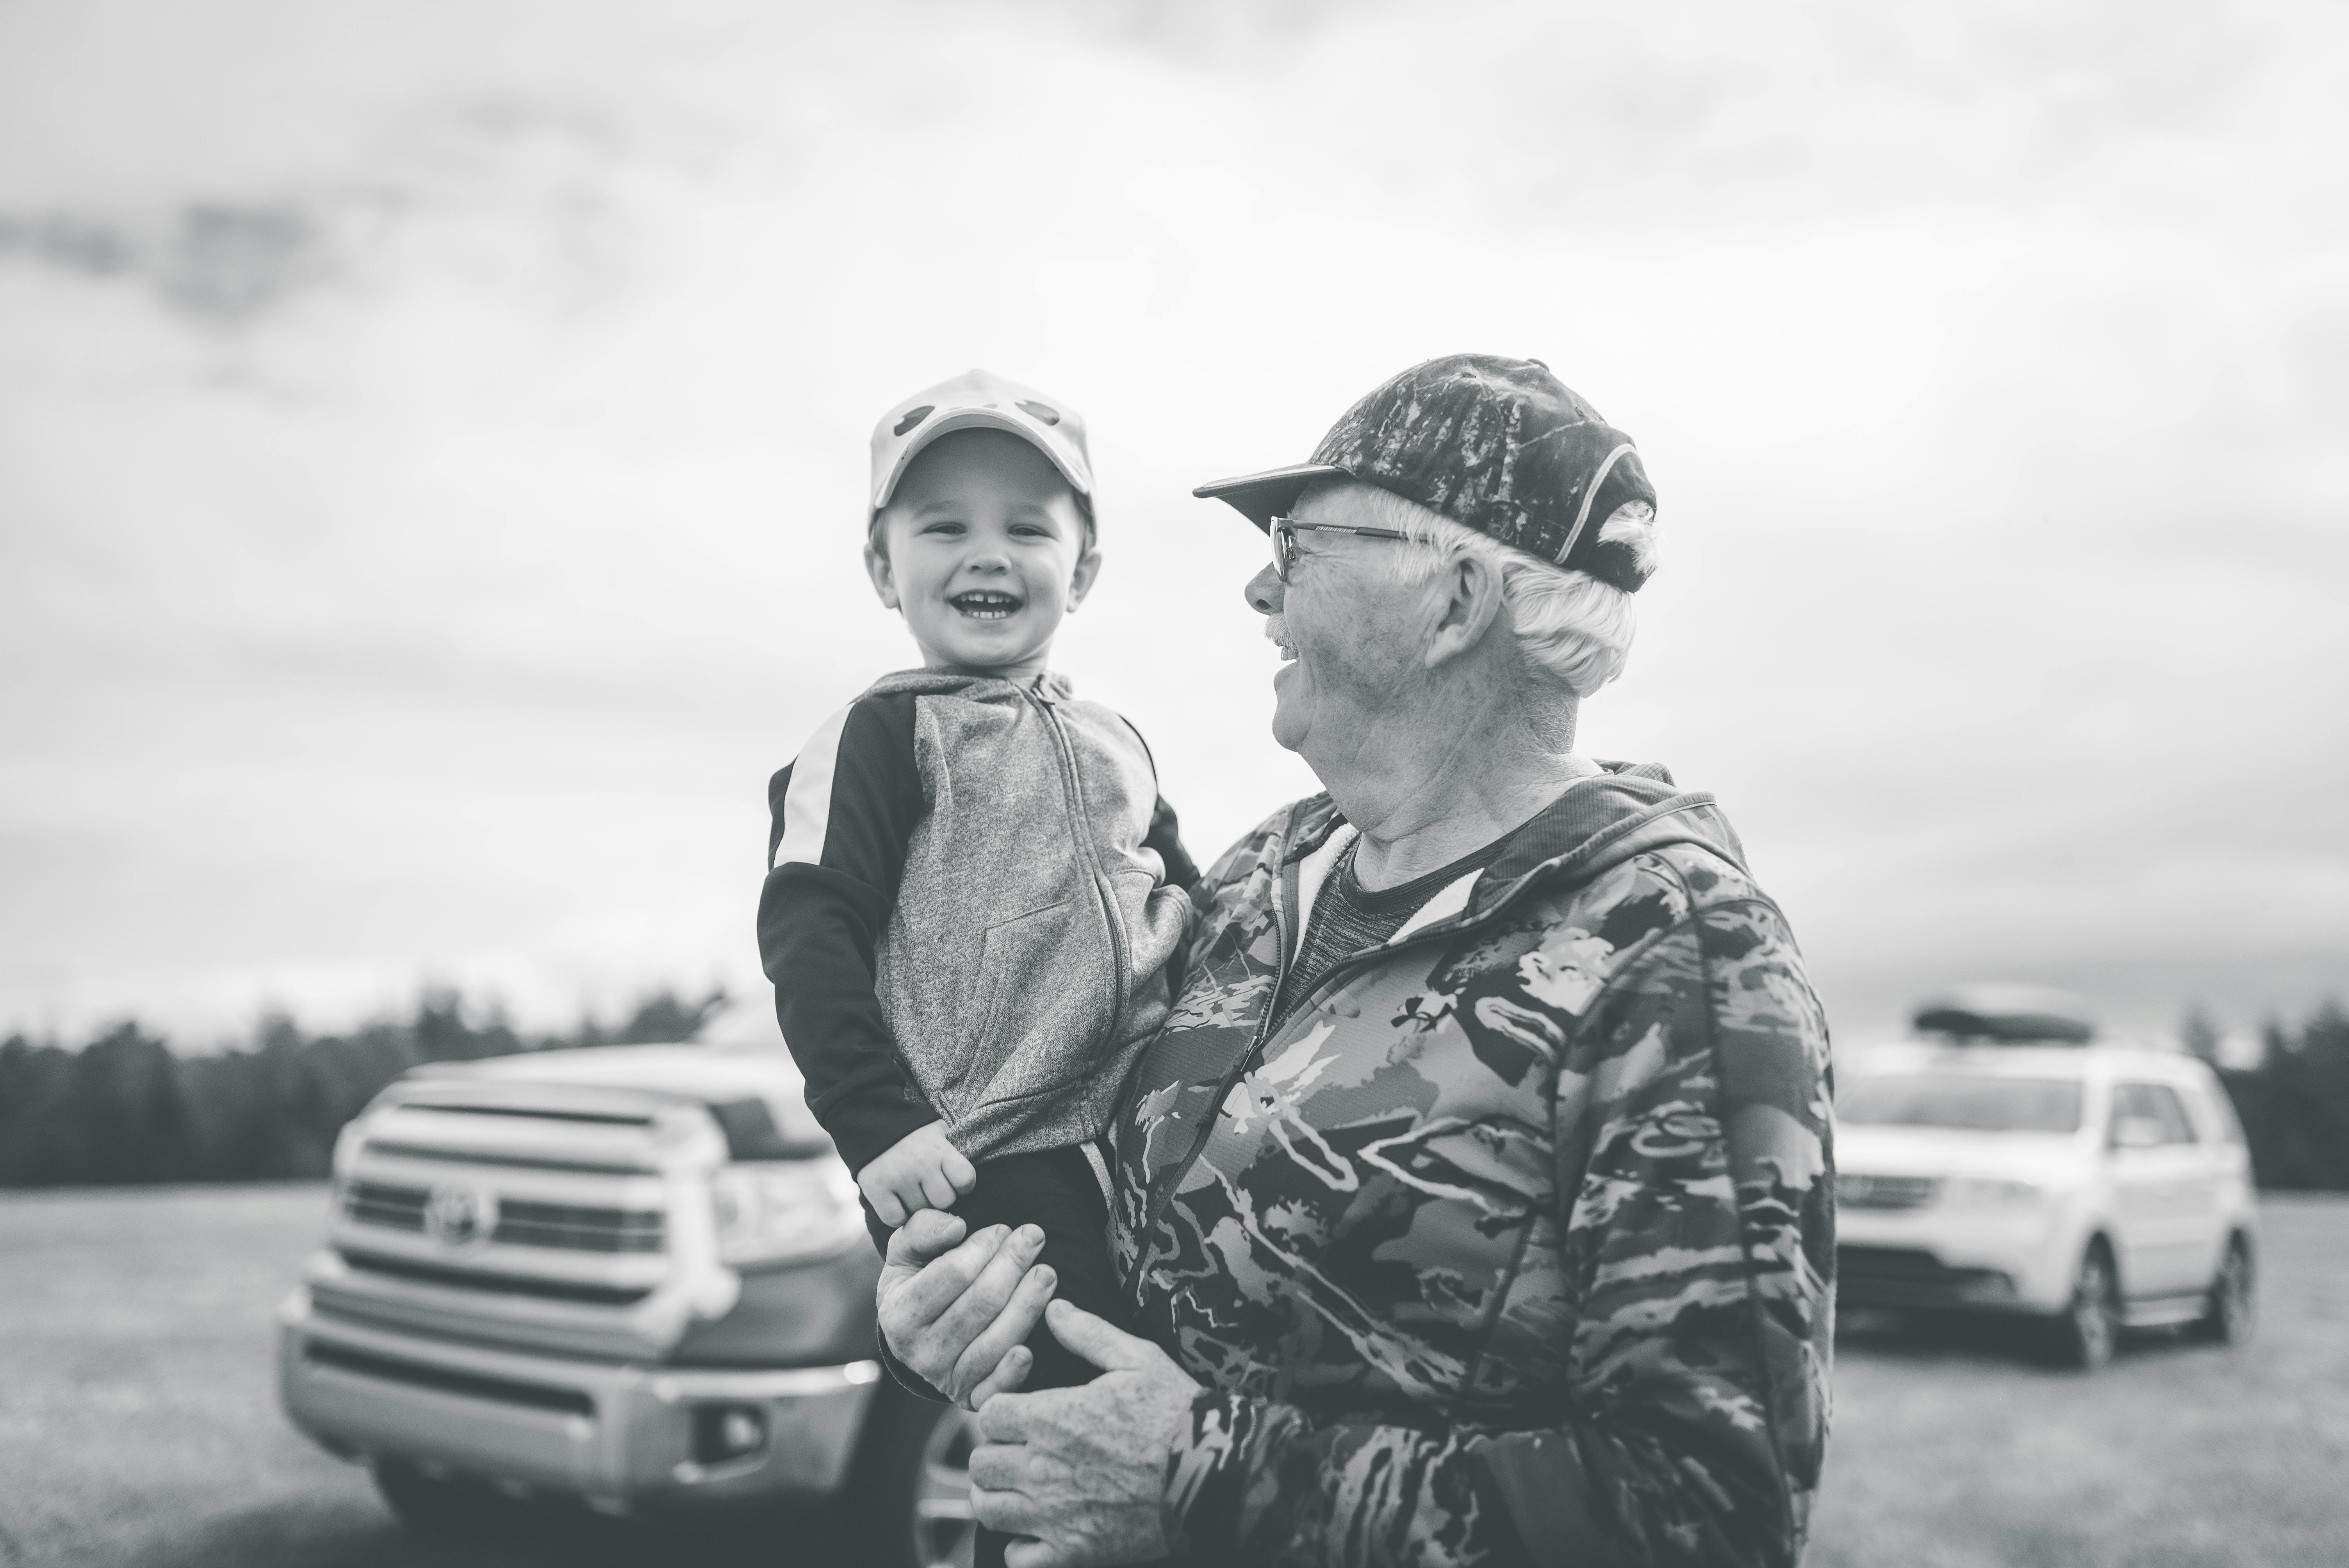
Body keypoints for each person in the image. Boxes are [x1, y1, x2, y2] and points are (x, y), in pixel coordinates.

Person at [876, 354, 1836, 1567]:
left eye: (1303, 545)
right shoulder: (1256, 876)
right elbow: (1106, 1224)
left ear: (1456, 603)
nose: (1258, 587)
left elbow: (1711, 1514)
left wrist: (1200, 1476)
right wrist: (960, 1320)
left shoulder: (1676, 956)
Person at [757, 368, 1197, 1403]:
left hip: (1147, 1139)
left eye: (1029, 531)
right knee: (1064, 1428)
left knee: (1172, 1407)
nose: (989, 553)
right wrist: (875, 1124)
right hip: (985, 1160)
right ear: (882, 566)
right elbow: (808, 929)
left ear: (1082, 568)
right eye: (945, 527)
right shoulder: (876, 738)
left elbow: (1191, 897)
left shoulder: (1119, 743)